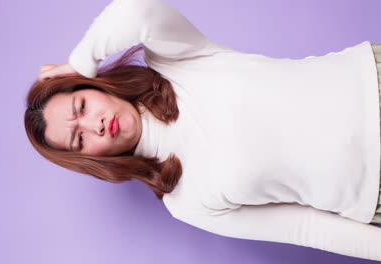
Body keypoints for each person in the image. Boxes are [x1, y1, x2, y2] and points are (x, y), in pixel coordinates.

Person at [24, 0, 381, 261]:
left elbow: (135, 10)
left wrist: (77, 63)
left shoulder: (178, 61)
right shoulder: (185, 203)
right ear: (89, 160)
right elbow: (307, 229)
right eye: (80, 138)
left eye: (82, 107)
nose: (95, 125)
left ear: (94, 85)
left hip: (372, 80)